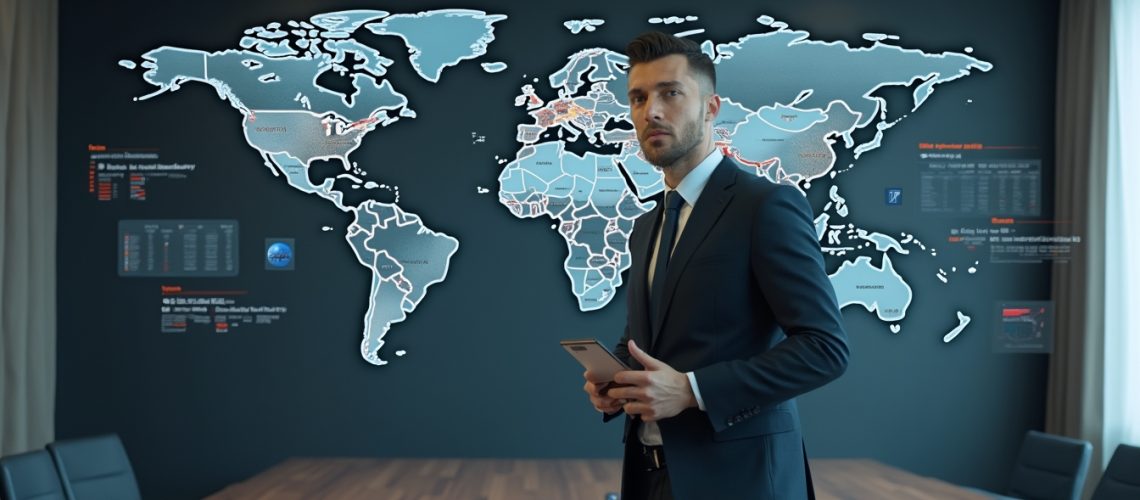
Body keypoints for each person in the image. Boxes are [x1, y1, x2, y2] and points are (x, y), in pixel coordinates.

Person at [582, 31, 850, 500]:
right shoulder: (647, 225)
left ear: (711, 108)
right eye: (639, 98)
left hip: (741, 481)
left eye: (671, 93)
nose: (652, 112)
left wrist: (693, 390)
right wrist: (616, 378)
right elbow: (645, 341)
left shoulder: (765, 206)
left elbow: (825, 348)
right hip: (650, 477)